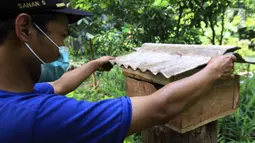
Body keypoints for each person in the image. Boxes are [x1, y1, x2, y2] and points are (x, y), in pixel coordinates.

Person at [0, 0, 236, 143]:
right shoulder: (37, 118)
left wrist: (94, 64)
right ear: (25, 30)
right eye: (62, 37)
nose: (63, 49)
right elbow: (161, 107)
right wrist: (213, 70)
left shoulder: (12, 96)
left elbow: (60, 86)